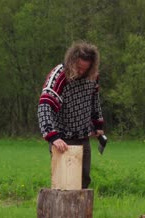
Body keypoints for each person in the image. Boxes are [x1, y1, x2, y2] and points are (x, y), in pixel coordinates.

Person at [38, 41, 104, 189]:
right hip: (62, 138)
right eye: (78, 68)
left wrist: (98, 124)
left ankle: (81, 213)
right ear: (71, 61)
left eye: (85, 69)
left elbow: (94, 99)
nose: (81, 72)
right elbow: (45, 106)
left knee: (83, 182)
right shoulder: (59, 76)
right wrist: (52, 136)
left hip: (83, 136)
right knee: (65, 183)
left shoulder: (92, 76)